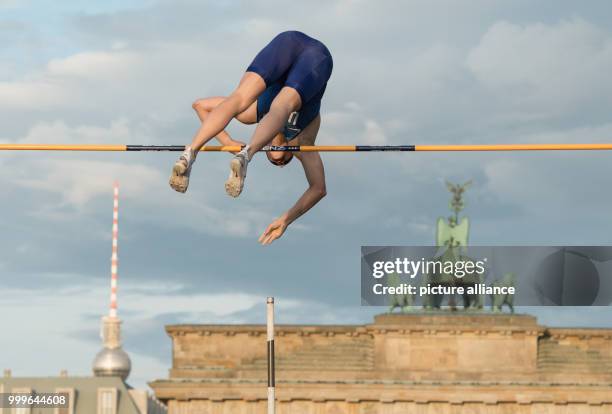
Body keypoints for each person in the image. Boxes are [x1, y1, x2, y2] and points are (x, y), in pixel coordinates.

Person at [169, 30, 333, 245]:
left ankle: (191, 153)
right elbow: (318, 188)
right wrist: (285, 220)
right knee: (276, 105)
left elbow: (201, 106)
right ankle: (243, 156)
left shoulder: (254, 115)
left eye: (273, 157)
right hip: (315, 57)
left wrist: (285, 219)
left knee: (244, 101)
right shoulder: (302, 141)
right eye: (281, 159)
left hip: (289, 43)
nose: (277, 155)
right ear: (289, 156)